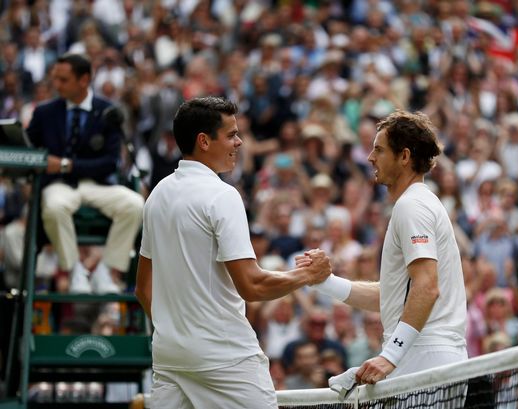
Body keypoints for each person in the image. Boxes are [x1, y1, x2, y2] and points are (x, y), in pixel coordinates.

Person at [134, 96, 331, 409]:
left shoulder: (157, 194)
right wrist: (308, 274)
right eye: (231, 135)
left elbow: (143, 289)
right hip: (224, 356)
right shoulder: (222, 196)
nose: (240, 142)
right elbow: (252, 286)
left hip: (170, 354)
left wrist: (176, 331)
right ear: (204, 141)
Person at [300, 110, 467, 385]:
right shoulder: (416, 203)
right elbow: (393, 296)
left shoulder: (411, 206)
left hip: (425, 357)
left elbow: (426, 286)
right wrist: (325, 282)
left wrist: (390, 355)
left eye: (379, 149)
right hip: (425, 357)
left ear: (404, 156)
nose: (370, 158)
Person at [27, 53, 144, 294]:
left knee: (134, 204)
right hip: (59, 186)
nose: (56, 85)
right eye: (55, 79)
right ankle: (74, 271)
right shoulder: (44, 113)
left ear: (84, 80)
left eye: (63, 79)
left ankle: (106, 271)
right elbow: (28, 151)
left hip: (98, 185)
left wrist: (65, 164)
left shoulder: (108, 112)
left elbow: (111, 163)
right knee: (54, 206)